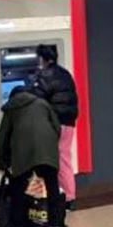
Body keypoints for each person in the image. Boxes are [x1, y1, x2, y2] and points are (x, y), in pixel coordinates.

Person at [0, 86, 65, 227]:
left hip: (22, 152)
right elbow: (57, 127)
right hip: (46, 149)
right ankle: (54, 226)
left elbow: (2, 139)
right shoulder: (43, 104)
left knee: (18, 189)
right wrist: (51, 145)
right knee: (52, 186)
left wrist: (3, 163)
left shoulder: (11, 109)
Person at [29, 44, 79, 208]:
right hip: (69, 122)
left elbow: (37, 101)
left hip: (52, 124)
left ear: (41, 59)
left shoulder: (43, 76)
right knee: (64, 158)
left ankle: (51, 196)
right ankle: (70, 197)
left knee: (49, 161)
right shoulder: (65, 74)